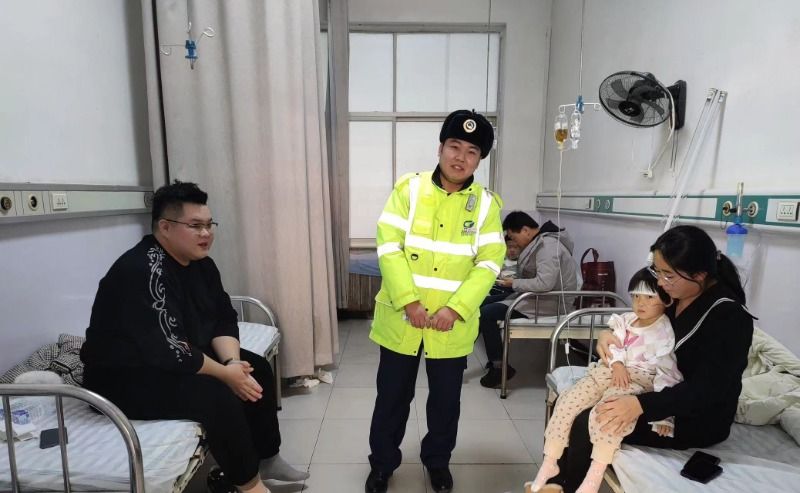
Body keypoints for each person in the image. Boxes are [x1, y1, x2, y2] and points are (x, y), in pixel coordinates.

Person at [80, 181, 308, 493]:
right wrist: (225, 376)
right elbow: (169, 349)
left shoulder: (202, 266)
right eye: (195, 226)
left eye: (209, 225)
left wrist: (233, 363)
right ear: (165, 227)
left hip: (171, 359)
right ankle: (250, 486)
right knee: (217, 395)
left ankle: (266, 456)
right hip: (124, 378)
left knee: (257, 369)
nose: (206, 233)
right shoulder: (142, 271)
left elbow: (222, 317)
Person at [547, 225, 755, 493]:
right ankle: (552, 484)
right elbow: (638, 324)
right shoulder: (675, 294)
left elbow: (707, 390)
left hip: (690, 417)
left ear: (700, 275)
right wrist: (607, 334)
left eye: (668, 275)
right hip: (652, 387)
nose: (660, 282)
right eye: (658, 272)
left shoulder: (728, 317)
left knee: (589, 421)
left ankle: (569, 487)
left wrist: (640, 405)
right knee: (566, 402)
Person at [365, 110, 505, 493]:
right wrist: (409, 301)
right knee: (392, 398)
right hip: (402, 319)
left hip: (450, 325)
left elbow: (489, 263)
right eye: (454, 147)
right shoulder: (408, 190)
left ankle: (438, 462)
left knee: (445, 403)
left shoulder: (486, 206)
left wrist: (456, 308)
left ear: (480, 159)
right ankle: (382, 465)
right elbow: (389, 247)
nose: (460, 157)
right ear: (440, 148)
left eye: (472, 151)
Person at [526, 268, 682, 493]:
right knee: (567, 401)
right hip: (608, 371)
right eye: (636, 296)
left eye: (649, 297)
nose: (640, 303)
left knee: (606, 415)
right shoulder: (627, 320)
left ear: (667, 300)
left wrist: (664, 416)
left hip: (635, 381)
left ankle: (594, 474)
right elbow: (613, 344)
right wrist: (616, 364)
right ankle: (551, 462)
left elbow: (668, 373)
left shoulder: (664, 332)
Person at [478, 211, 578, 388]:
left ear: (525, 230)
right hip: (537, 298)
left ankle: (499, 367)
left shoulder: (547, 246)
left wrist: (514, 283)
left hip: (550, 303)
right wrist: (514, 283)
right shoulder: (540, 243)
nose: (514, 242)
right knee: (482, 303)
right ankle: (494, 357)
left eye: (513, 237)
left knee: (486, 313)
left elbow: (545, 283)